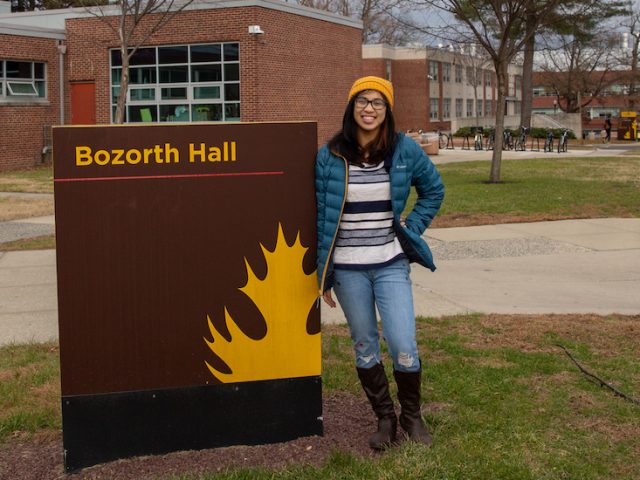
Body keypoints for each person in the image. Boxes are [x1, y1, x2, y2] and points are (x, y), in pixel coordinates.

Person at [315, 76, 445, 450]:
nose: (369, 108)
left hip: (390, 263)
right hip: (348, 269)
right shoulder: (330, 155)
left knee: (404, 341)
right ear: (351, 106)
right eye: (362, 101)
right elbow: (320, 216)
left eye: (378, 103)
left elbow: (433, 190)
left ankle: (412, 417)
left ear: (387, 111)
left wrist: (410, 229)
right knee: (365, 344)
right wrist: (323, 275)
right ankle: (385, 419)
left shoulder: (404, 150)